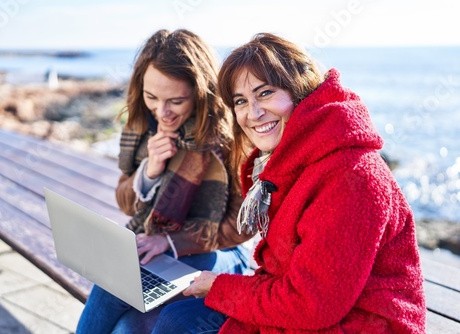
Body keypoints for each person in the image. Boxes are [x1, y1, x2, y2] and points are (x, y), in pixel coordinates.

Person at [151, 33, 427, 333]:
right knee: (165, 318)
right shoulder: (285, 163)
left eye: (265, 93)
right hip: (312, 310)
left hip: (360, 323)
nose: (253, 113)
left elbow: (311, 305)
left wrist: (220, 286)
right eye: (241, 101)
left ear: (301, 92)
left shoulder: (351, 177)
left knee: (173, 324)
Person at [76, 29, 254, 334]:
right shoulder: (142, 127)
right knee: (125, 328)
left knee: (121, 279)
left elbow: (242, 227)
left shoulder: (230, 139)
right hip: (157, 248)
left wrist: (170, 242)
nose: (162, 112)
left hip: (224, 255)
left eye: (176, 100)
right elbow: (124, 200)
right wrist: (150, 170)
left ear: (200, 94)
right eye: (151, 97)